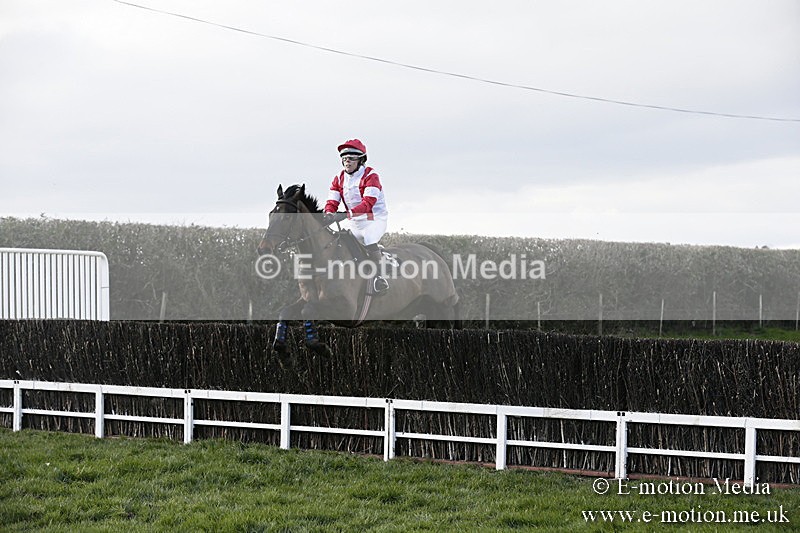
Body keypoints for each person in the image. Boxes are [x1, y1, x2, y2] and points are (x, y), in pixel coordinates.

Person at [323, 138, 390, 293]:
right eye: (344, 159)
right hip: (353, 220)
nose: (347, 162)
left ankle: (380, 277)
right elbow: (332, 201)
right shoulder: (338, 178)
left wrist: (345, 214)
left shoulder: (371, 176)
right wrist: (328, 213)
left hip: (373, 219)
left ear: (361, 160)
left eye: (351, 158)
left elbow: (368, 204)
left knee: (368, 239)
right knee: (337, 239)